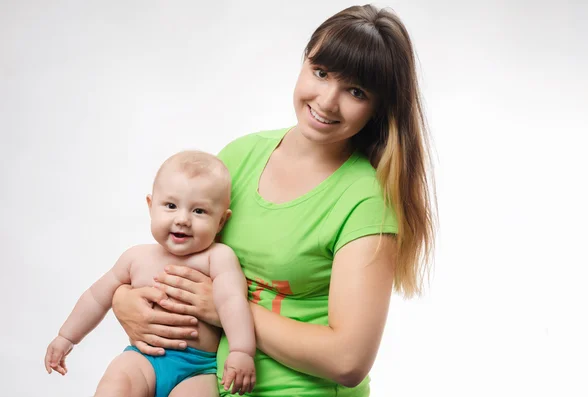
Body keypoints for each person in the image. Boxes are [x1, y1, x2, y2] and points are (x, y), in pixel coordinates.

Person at [112, 4, 436, 396]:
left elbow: (348, 360)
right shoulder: (240, 156)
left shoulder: (367, 201)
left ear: (379, 107)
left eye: (355, 91)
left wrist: (227, 310)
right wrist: (123, 299)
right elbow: (180, 256)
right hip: (203, 382)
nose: (328, 101)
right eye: (320, 73)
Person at [44, 151, 256, 397]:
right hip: (142, 359)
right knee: (115, 385)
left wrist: (241, 351)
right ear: (150, 206)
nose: (183, 219)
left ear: (221, 222)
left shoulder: (218, 257)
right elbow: (96, 297)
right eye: (171, 206)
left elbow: (233, 301)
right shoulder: (136, 258)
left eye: (199, 211)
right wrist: (66, 337)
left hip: (197, 370)